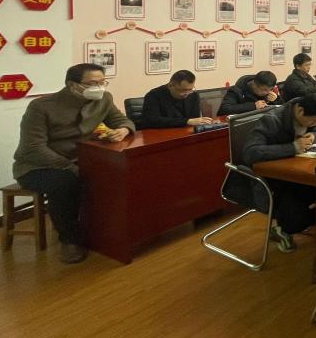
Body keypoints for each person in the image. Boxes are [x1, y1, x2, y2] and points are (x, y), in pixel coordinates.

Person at [12, 63, 135, 263]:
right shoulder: (41, 106)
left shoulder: (104, 99)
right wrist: (70, 167)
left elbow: (122, 120)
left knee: (115, 173)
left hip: (80, 159)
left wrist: (123, 130)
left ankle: (108, 231)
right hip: (38, 165)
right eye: (92, 83)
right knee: (65, 183)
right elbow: (33, 148)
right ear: (72, 85)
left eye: (102, 82)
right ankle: (70, 240)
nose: (99, 87)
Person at [241, 94, 316, 252]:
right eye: (313, 121)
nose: (315, 124)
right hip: (276, 179)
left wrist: (314, 136)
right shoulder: (272, 120)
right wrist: (293, 147)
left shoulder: (313, 114)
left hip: (301, 169)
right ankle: (283, 228)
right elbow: (250, 152)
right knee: (300, 213)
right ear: (300, 110)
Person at [138, 69, 213, 129]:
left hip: (186, 132)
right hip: (161, 133)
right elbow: (151, 120)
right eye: (184, 90)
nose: (187, 93)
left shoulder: (193, 94)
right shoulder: (153, 95)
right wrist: (186, 121)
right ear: (171, 86)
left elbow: (195, 118)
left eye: (190, 89)